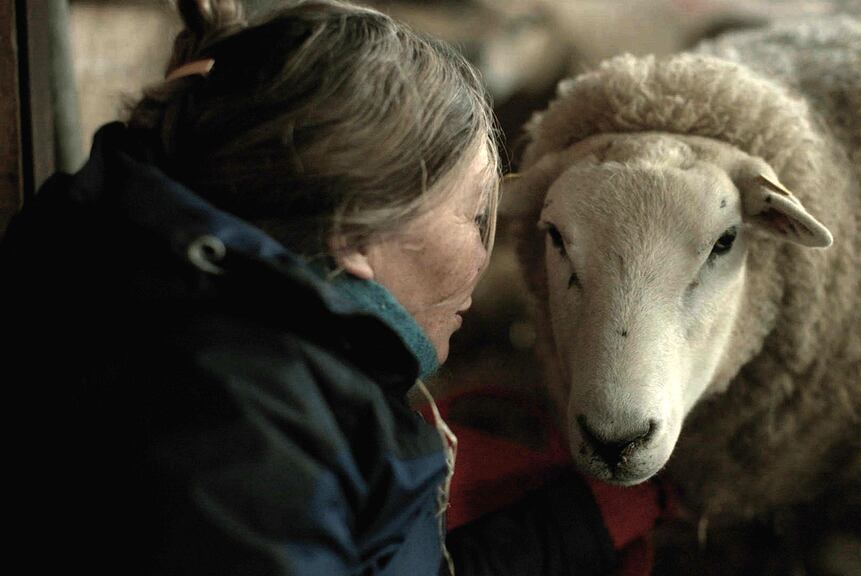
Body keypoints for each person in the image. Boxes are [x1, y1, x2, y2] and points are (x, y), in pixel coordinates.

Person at [1, 1, 667, 574]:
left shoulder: (148, 286)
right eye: (474, 215)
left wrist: (568, 532)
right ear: (353, 234)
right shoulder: (244, 443)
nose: (484, 252)